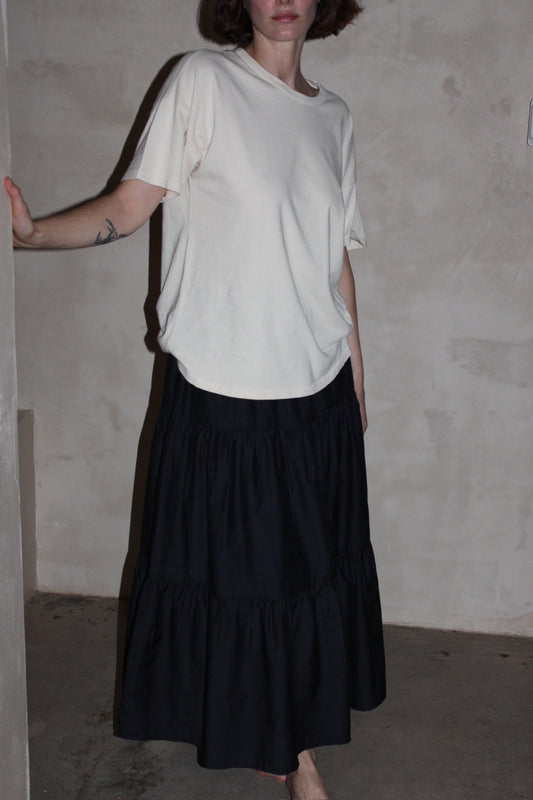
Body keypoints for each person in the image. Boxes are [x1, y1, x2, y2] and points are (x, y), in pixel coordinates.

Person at [6, 1, 386, 797]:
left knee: (306, 578)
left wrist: (356, 369)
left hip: (314, 390)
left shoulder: (334, 117)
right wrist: (34, 234)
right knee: (252, 585)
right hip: (226, 391)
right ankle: (295, 759)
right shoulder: (203, 82)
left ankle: (286, 738)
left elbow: (333, 260)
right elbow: (129, 206)